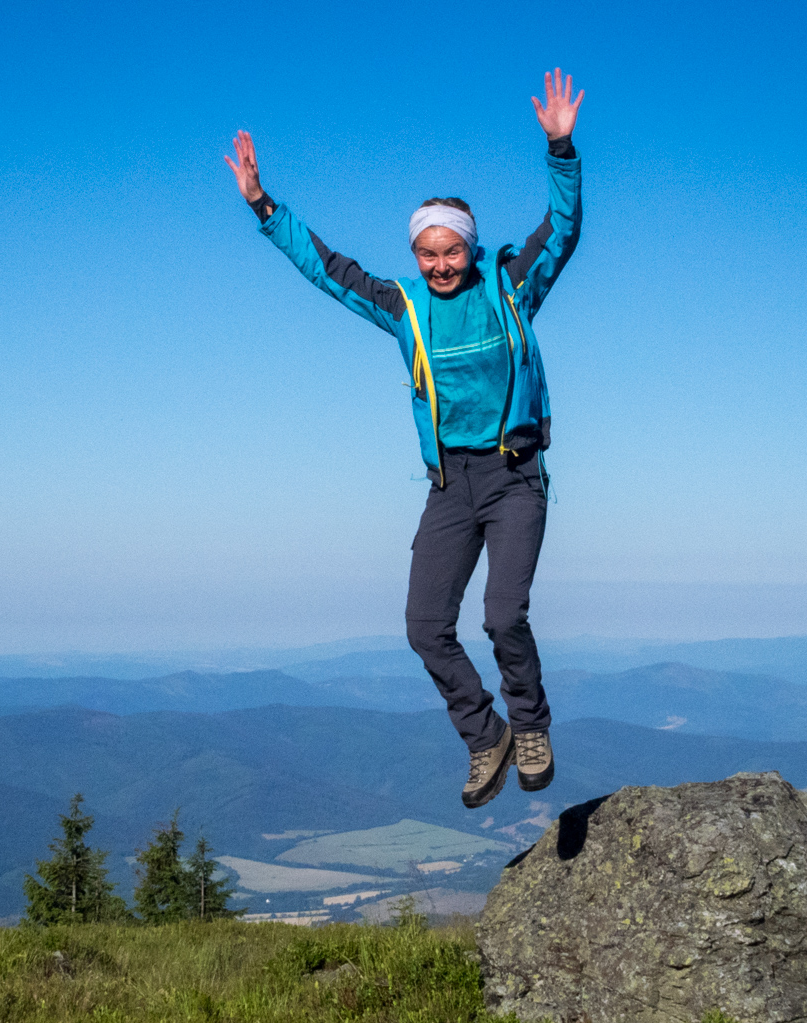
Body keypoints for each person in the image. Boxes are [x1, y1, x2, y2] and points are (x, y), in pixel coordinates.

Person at [225, 70, 584, 808]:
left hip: (515, 477)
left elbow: (565, 227)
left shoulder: (510, 285)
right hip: (450, 485)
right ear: (416, 253)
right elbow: (328, 270)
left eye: (452, 251)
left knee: (501, 616)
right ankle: (487, 737)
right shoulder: (404, 306)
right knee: (426, 627)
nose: (441, 264)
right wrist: (264, 207)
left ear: (471, 248)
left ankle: (531, 724)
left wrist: (561, 148)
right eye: (428, 253)